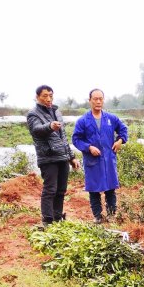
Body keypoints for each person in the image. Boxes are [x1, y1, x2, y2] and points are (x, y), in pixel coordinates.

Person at [26, 85, 80, 227]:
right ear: (37, 97)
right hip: (48, 157)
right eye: (45, 96)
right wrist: (49, 126)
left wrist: (71, 157)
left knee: (61, 190)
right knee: (50, 189)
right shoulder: (33, 114)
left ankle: (57, 218)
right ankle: (47, 220)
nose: (48, 99)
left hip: (62, 157)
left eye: (51, 95)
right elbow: (36, 130)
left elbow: (63, 138)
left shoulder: (57, 112)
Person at [71, 88, 128, 223]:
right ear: (90, 101)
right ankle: (97, 216)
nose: (98, 101)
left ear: (103, 100)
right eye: (95, 99)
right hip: (92, 160)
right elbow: (76, 139)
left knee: (110, 188)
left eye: (100, 99)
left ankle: (111, 214)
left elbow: (123, 130)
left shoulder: (111, 118)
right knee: (94, 189)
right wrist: (88, 147)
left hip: (108, 159)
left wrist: (120, 141)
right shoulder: (83, 120)